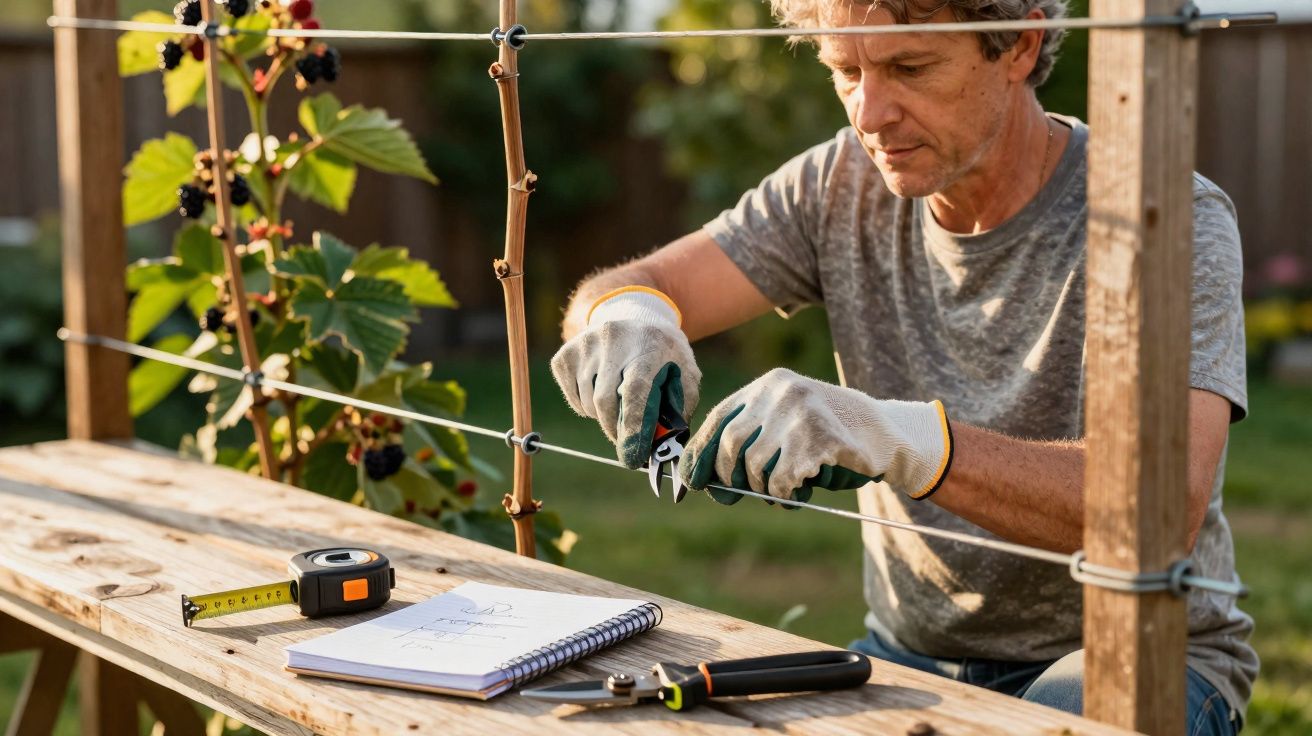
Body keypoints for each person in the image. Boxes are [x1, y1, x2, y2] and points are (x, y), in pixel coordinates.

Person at [548, 0, 1257, 732]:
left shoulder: (1162, 213)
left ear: (1020, 44)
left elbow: (1163, 507)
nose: (870, 112)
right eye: (844, 71)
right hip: (903, 654)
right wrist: (627, 318)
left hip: (1135, 651)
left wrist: (907, 439)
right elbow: (636, 285)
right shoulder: (837, 185)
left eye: (908, 67)